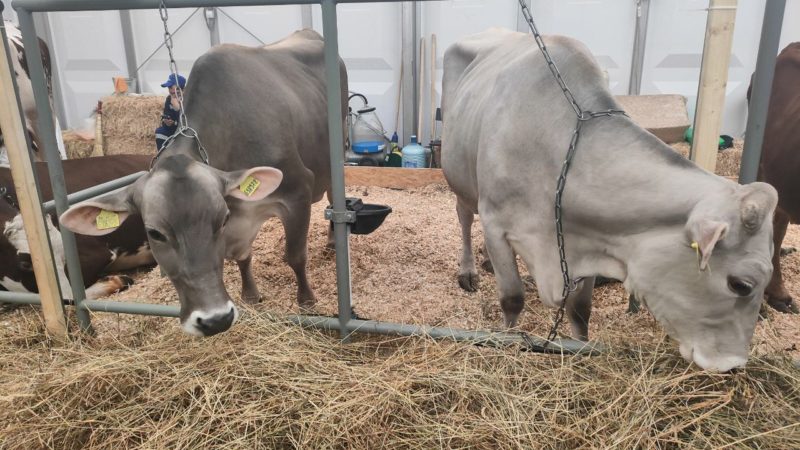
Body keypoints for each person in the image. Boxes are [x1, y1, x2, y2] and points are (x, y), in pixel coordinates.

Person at [155, 73, 186, 150]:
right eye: (168, 87)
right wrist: (167, 122)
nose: (170, 90)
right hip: (173, 129)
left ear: (181, 89)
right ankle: (161, 157)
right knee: (160, 131)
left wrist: (178, 109)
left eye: (171, 87)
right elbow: (167, 115)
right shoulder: (169, 99)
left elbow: (188, 122)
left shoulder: (188, 100)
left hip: (186, 131)